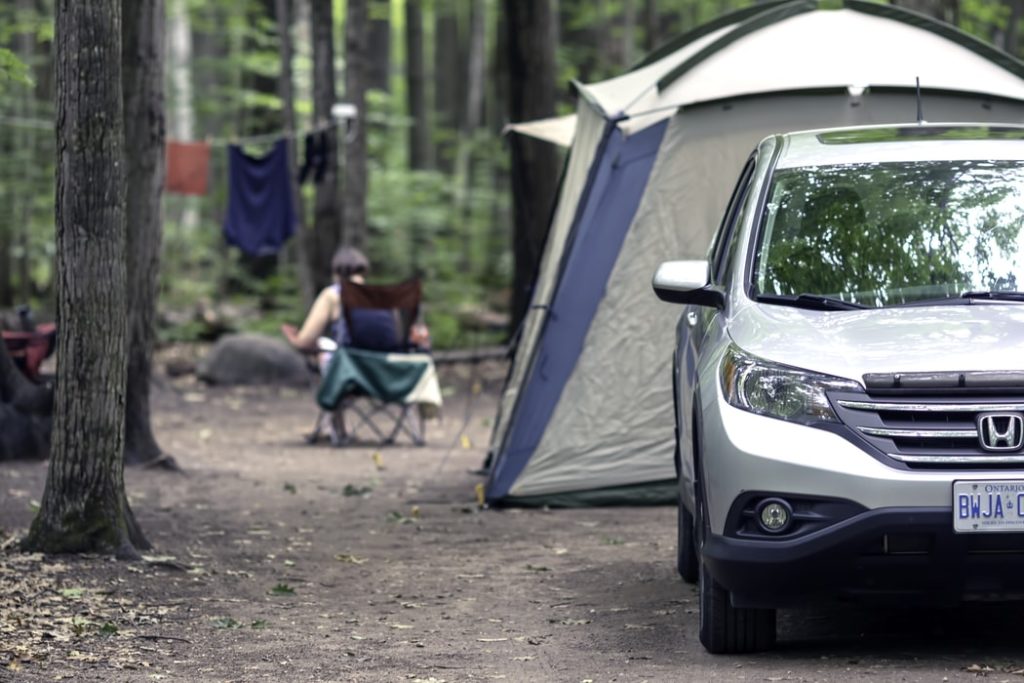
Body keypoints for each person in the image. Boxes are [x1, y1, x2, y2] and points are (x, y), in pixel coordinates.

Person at [282, 246, 369, 370]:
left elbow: (305, 342)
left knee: (322, 344)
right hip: (378, 369)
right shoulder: (378, 296)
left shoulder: (333, 294)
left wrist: (294, 339)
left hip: (346, 369)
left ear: (337, 272)